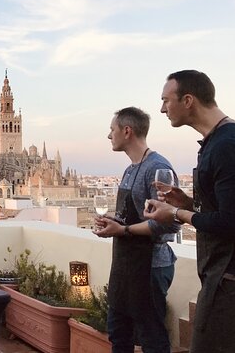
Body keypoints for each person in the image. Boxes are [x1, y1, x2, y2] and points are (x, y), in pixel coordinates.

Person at [145, 70, 235, 353]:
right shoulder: (220, 141)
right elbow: (224, 207)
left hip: (231, 282)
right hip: (222, 280)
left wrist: (175, 215)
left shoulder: (226, 146)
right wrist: (186, 202)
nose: (162, 109)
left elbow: (233, 221)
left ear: (188, 100)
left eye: (166, 100)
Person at [94, 107, 179, 353]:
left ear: (127, 131)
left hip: (150, 268)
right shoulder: (131, 169)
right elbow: (133, 216)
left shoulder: (158, 168)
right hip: (125, 267)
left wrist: (123, 230)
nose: (109, 136)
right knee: (119, 335)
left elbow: (169, 222)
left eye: (112, 129)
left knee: (152, 339)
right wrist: (116, 221)